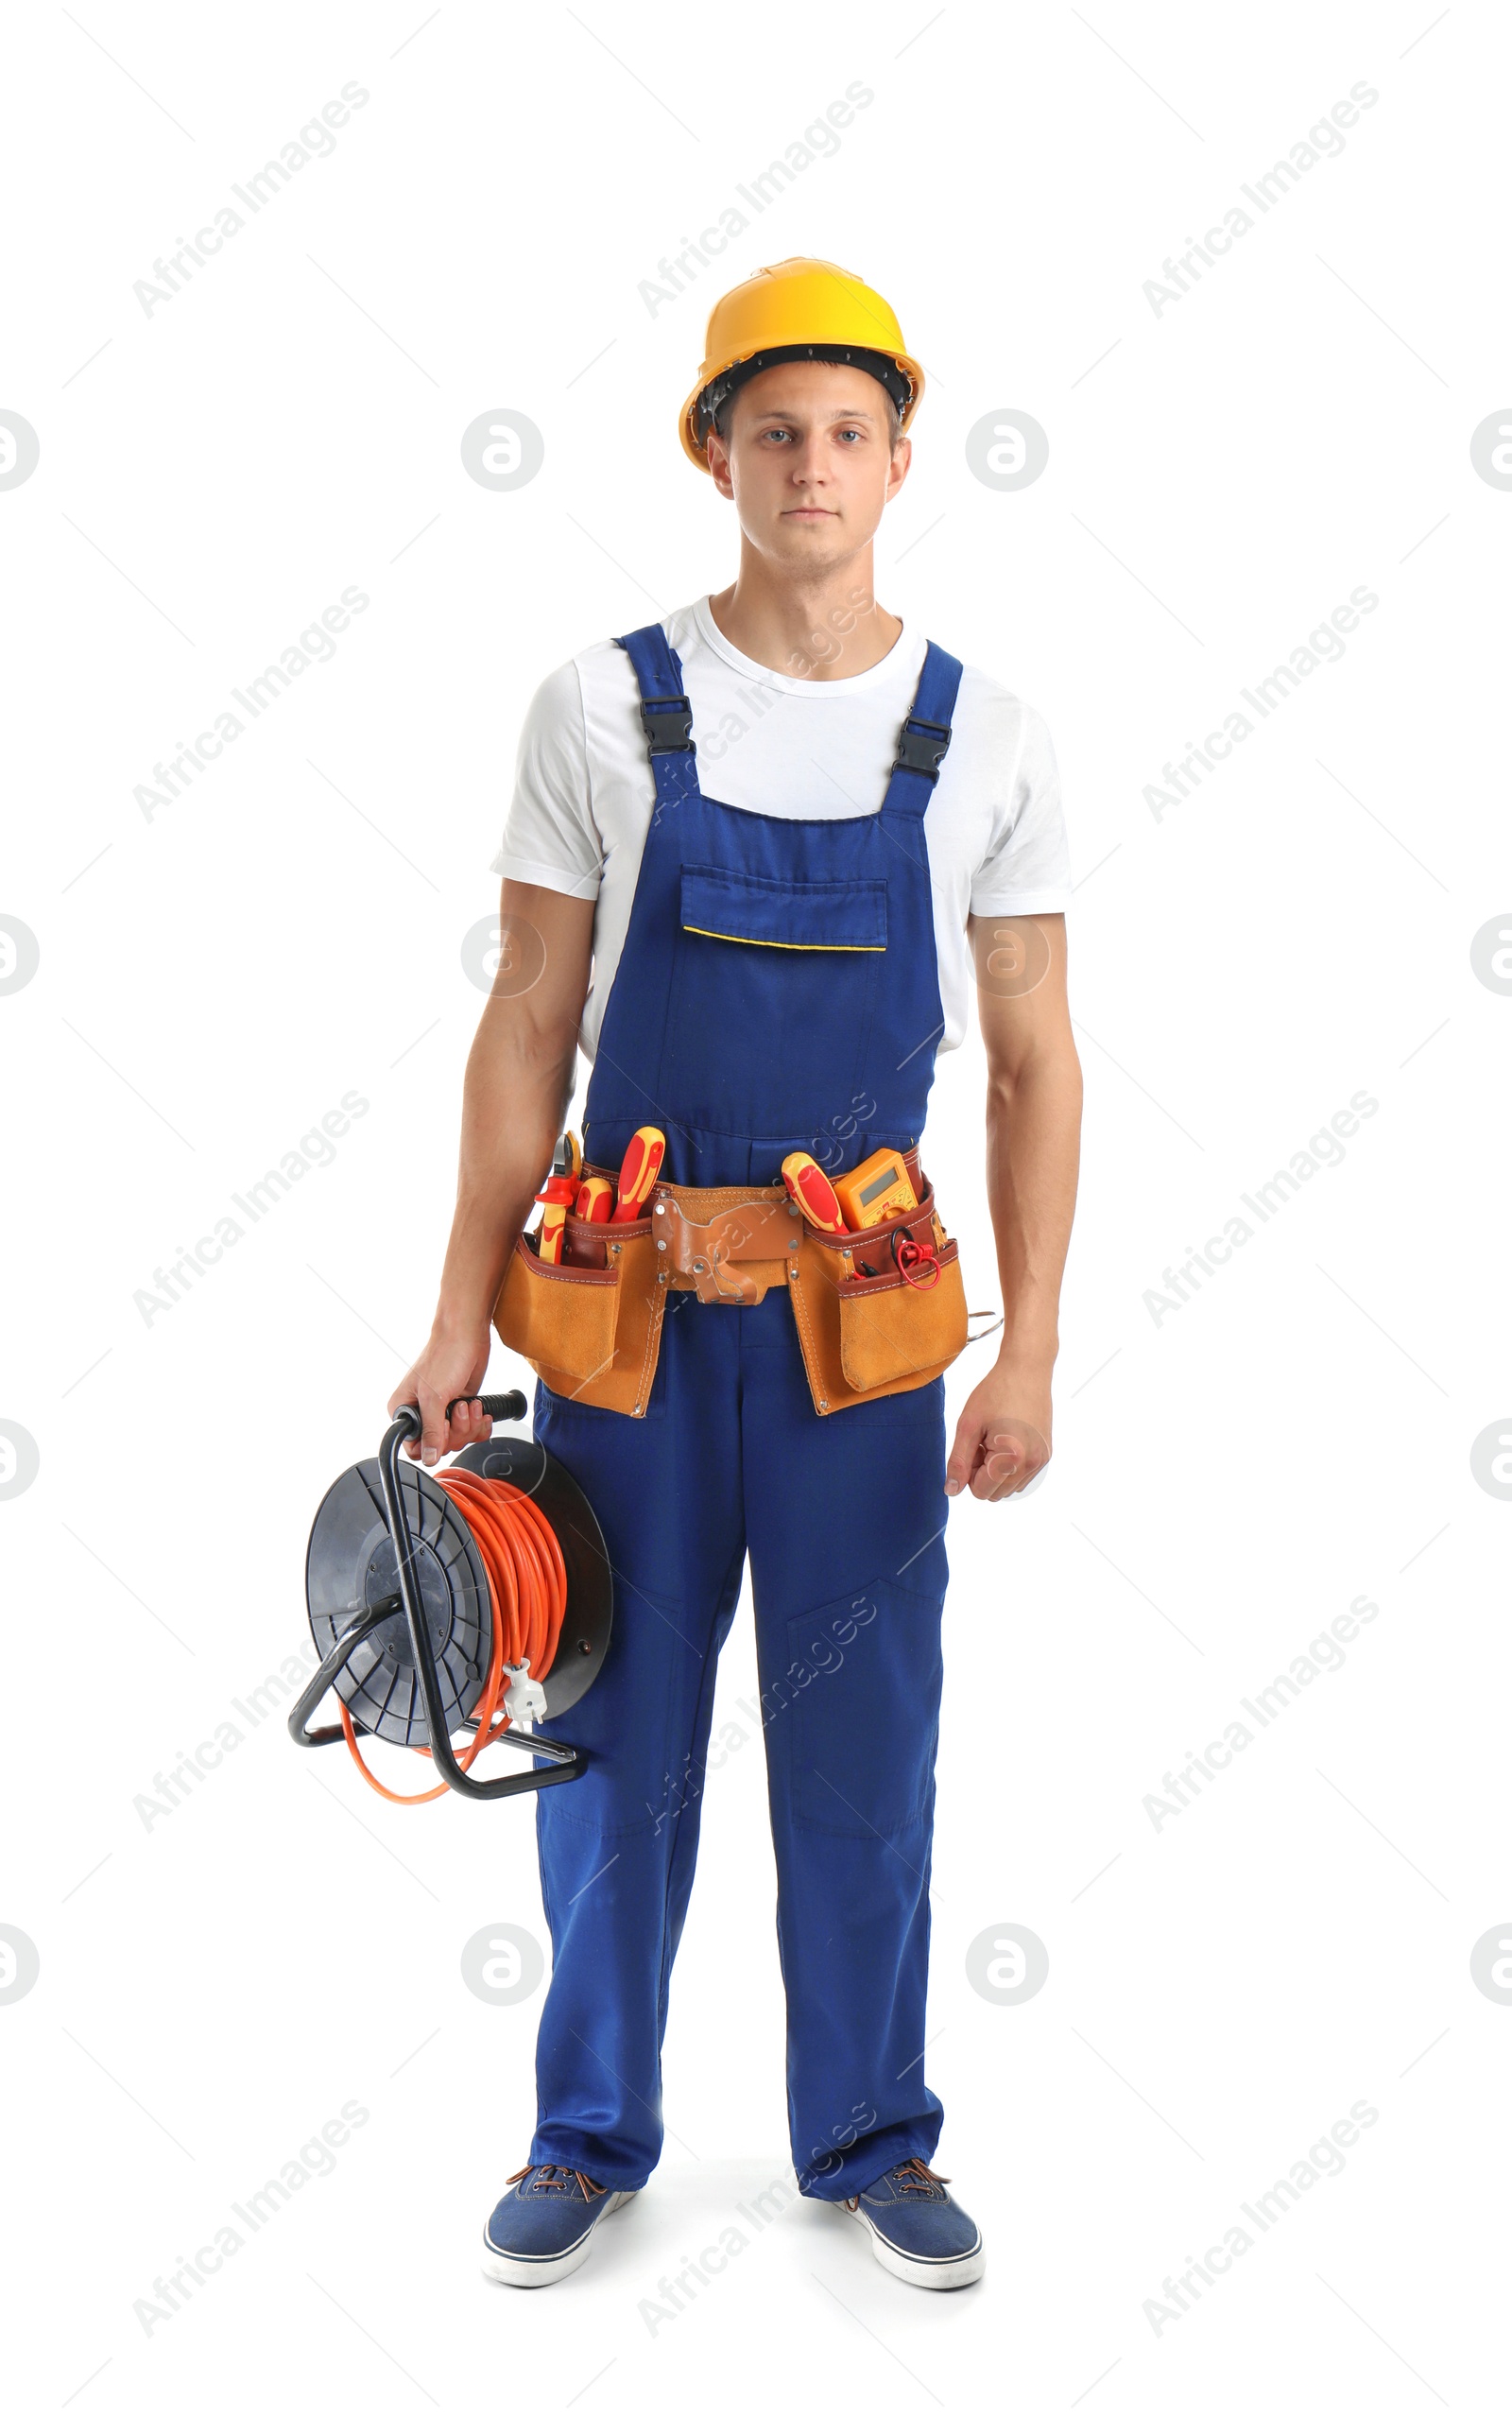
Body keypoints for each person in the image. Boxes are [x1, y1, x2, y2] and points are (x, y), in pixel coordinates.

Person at [391, 257, 1082, 2291]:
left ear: (895, 458)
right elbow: (526, 1023)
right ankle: (585, 2131)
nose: (809, 464)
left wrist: (1025, 1350)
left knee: (865, 1746)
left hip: (861, 1347)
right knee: (610, 1743)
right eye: (769, 428)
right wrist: (453, 1317)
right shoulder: (600, 706)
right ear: (710, 451)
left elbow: (1034, 1059)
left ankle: (871, 2135)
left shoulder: (983, 736)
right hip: (615, 1333)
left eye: (846, 432)